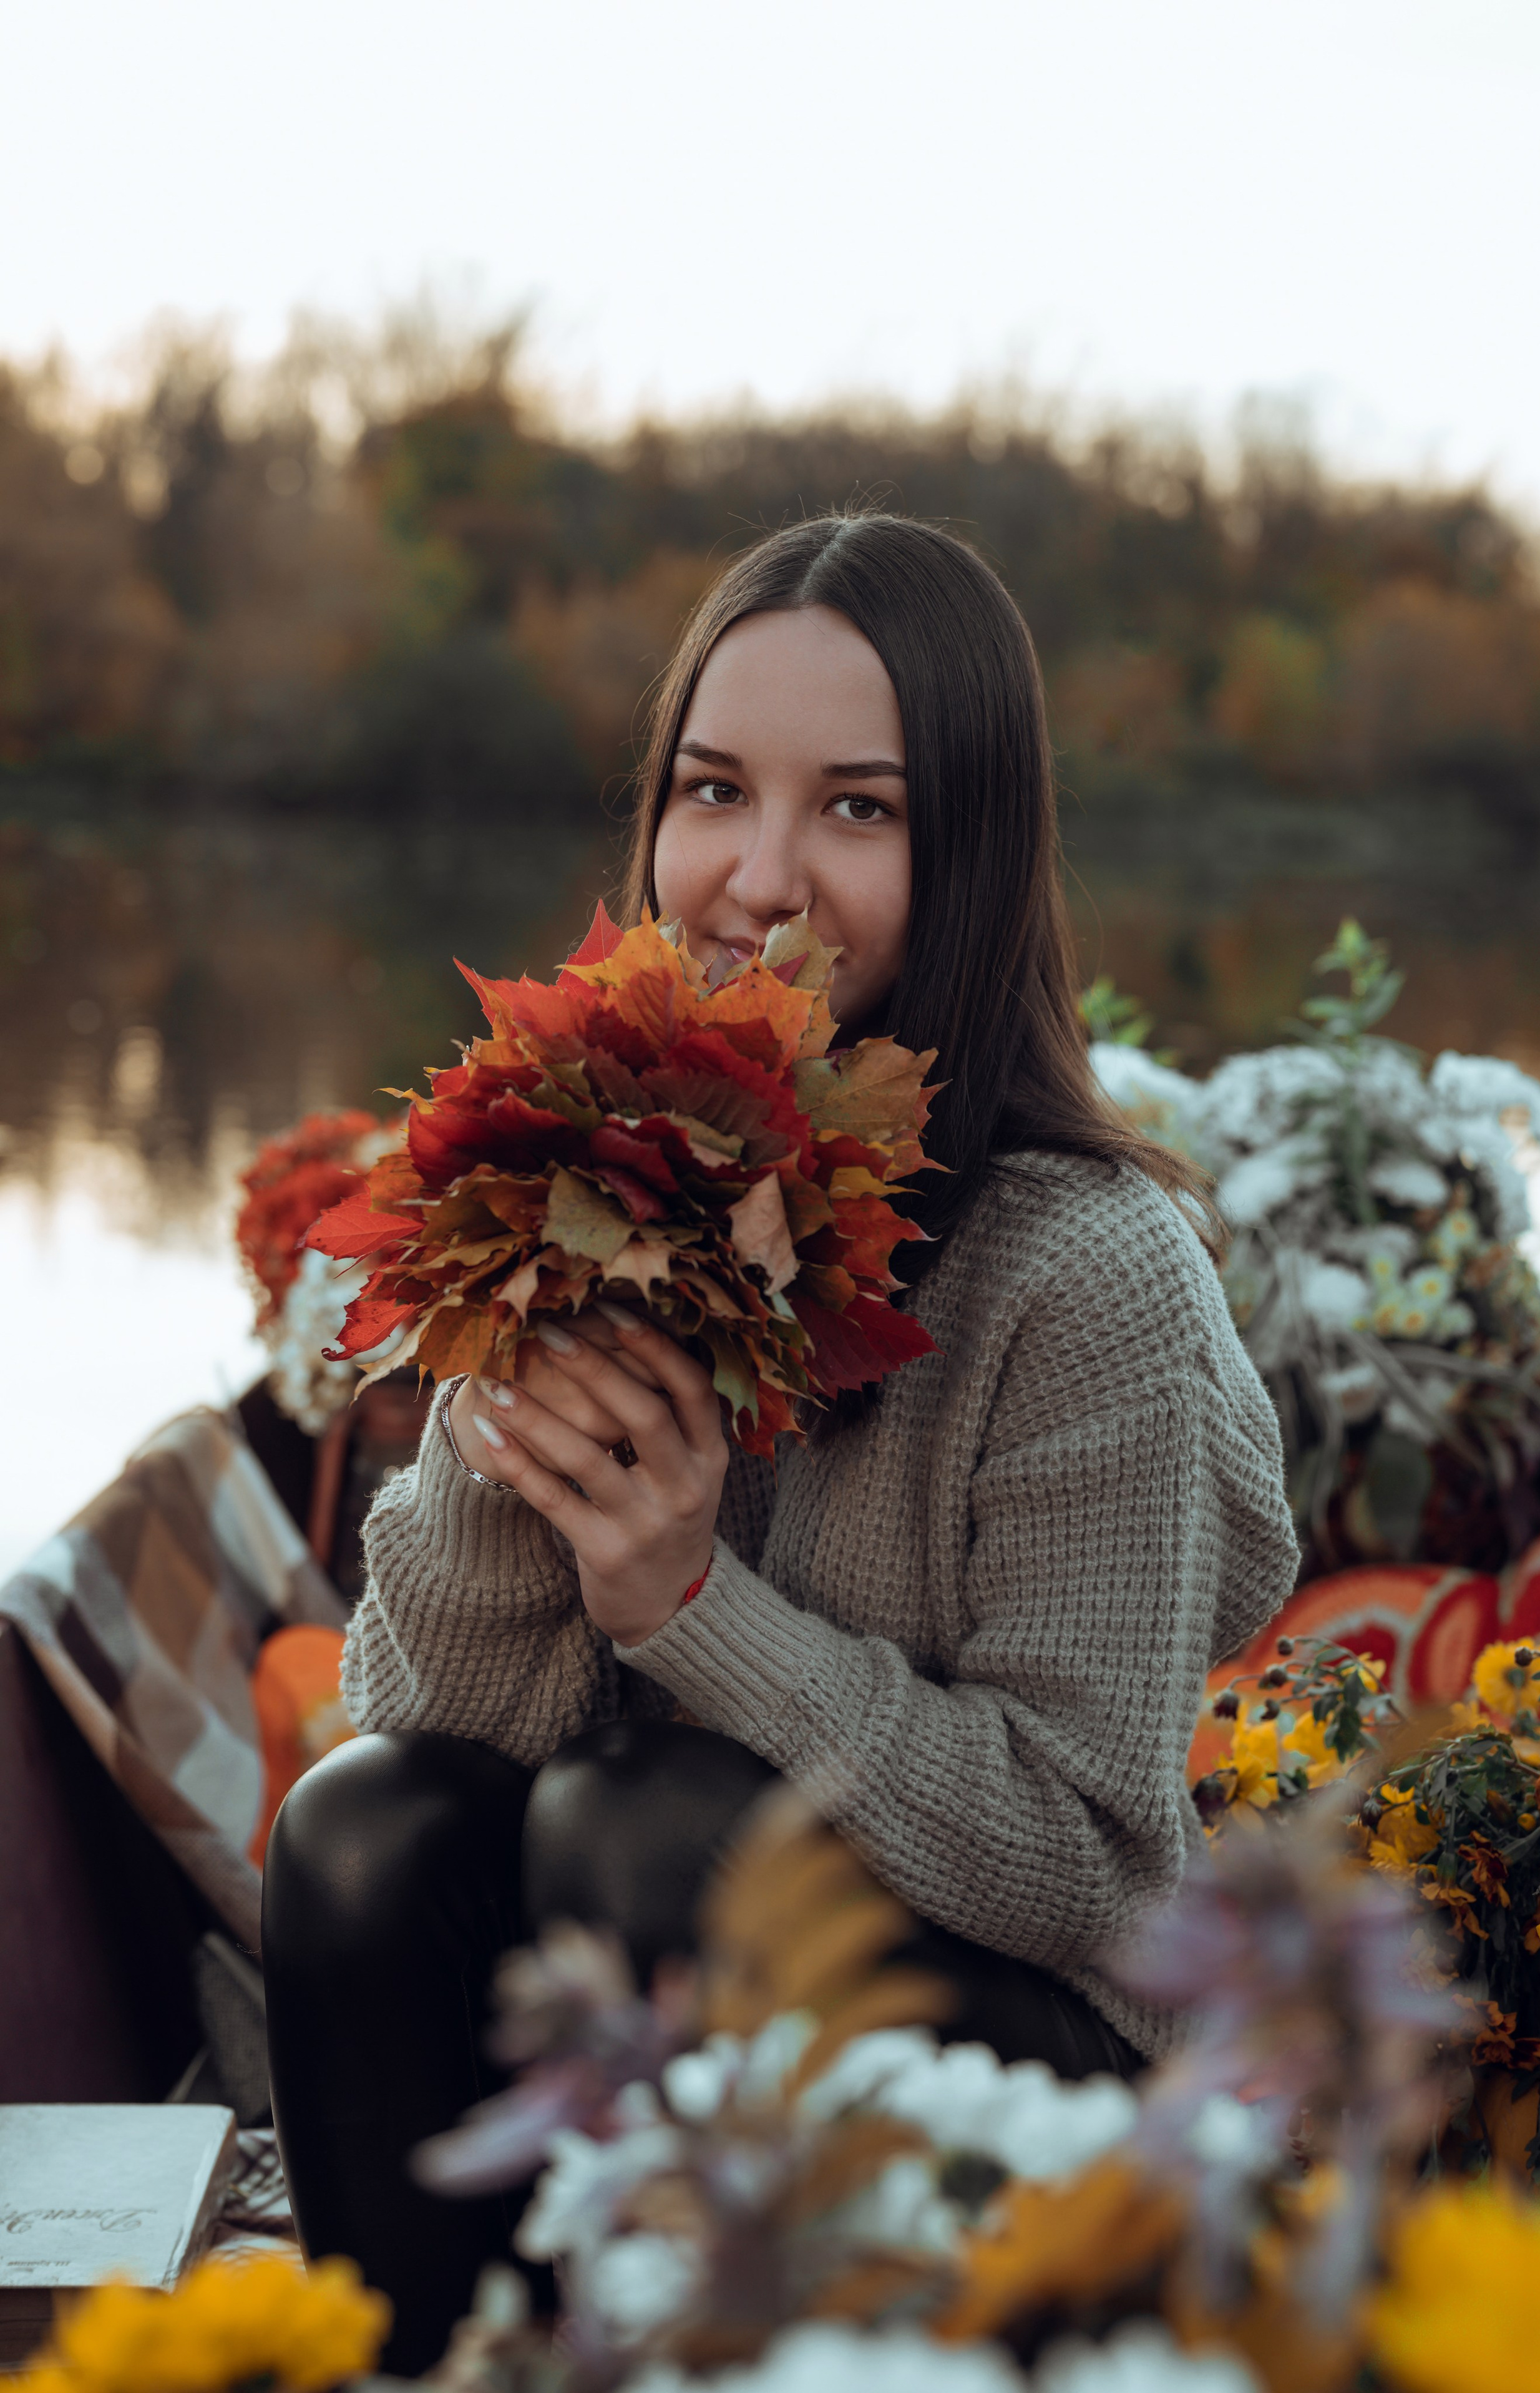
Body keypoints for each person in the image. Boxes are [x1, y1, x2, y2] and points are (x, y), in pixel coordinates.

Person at [262, 513, 1299, 2371]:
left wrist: (684, 1604)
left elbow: (1085, 1858)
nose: (758, 877)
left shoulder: (1090, 1273)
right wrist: (515, 1457)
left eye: (861, 810)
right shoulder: (620, 1178)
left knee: (653, 1826)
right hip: (653, 1970)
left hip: (1039, 2070)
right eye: (715, 790)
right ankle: (441, 2363)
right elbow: (422, 1715)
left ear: (970, 849)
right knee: (362, 1832)